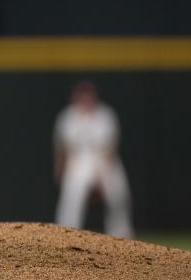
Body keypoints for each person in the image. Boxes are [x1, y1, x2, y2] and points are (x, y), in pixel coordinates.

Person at [53, 81, 134, 238]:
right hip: (78, 161)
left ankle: (122, 235)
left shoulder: (105, 115)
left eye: (88, 95)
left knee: (118, 193)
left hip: (103, 159)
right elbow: (62, 149)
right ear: (75, 97)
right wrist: (60, 170)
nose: (85, 99)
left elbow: (110, 148)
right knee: (72, 197)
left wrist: (104, 177)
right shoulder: (67, 117)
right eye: (82, 95)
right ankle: (65, 234)